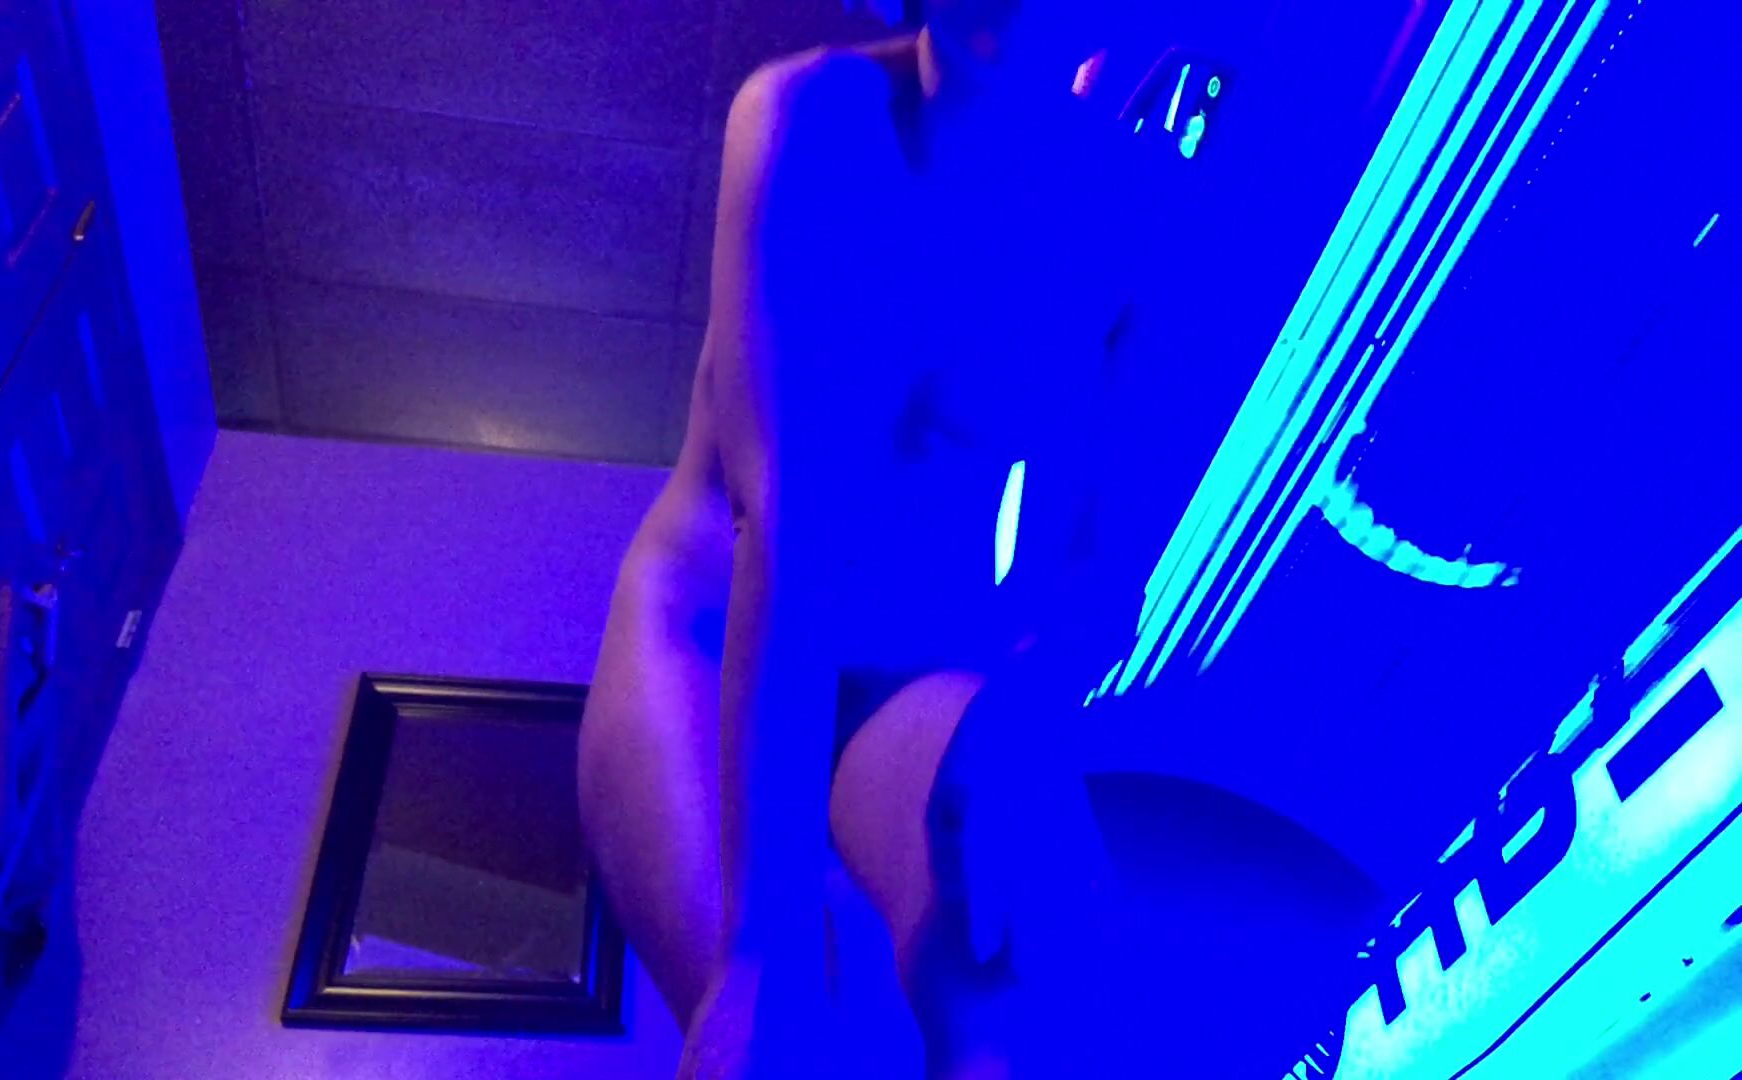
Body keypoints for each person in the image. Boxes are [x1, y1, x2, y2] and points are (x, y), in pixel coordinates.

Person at [578, 3, 1384, 1076]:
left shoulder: (1130, 208)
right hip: (718, 631)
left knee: (1022, 957)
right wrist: (762, 954)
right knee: (785, 1044)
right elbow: (786, 526)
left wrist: (1018, 716)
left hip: (913, 656)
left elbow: (1094, 557)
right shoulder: (809, 118)